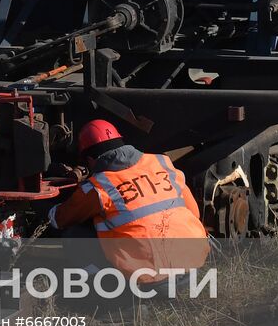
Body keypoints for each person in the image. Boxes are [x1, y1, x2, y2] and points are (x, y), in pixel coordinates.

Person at [47, 119, 209, 278]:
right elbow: (194, 212)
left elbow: (60, 220)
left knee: (73, 236)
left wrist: (48, 207)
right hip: (193, 265)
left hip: (150, 278)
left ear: (90, 160)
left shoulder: (99, 187)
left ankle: (104, 287)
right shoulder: (162, 163)